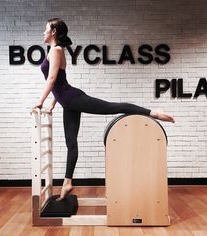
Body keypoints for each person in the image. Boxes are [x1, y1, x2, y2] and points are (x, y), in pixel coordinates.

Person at [33, 18, 175, 201]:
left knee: (111, 107)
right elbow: (58, 82)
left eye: (45, 29)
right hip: (67, 101)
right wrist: (53, 103)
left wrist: (40, 102)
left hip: (73, 98)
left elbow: (52, 80)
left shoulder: (56, 50)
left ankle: (152, 112)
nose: (42, 33)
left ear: (53, 31)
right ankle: (67, 182)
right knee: (71, 143)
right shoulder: (54, 51)